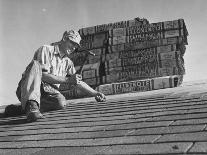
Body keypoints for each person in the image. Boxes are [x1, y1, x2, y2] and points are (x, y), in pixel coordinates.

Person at [14, 30, 106, 122]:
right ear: (64, 38)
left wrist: (95, 93)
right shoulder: (46, 49)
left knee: (60, 102)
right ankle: (31, 105)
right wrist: (68, 80)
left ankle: (24, 108)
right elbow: (43, 76)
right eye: (72, 43)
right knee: (35, 64)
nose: (74, 48)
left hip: (47, 93)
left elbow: (77, 82)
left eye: (76, 46)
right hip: (29, 88)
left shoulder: (68, 63)